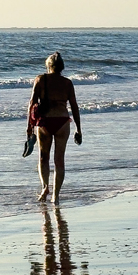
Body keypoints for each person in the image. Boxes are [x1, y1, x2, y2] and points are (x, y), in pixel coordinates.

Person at [27, 52, 82, 203]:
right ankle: (56, 196)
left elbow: (32, 104)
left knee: (43, 157)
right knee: (59, 160)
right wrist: (79, 128)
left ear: (48, 65)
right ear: (62, 67)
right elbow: (74, 107)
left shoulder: (40, 79)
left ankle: (45, 187)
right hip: (63, 122)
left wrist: (29, 127)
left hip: (44, 122)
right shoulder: (67, 83)